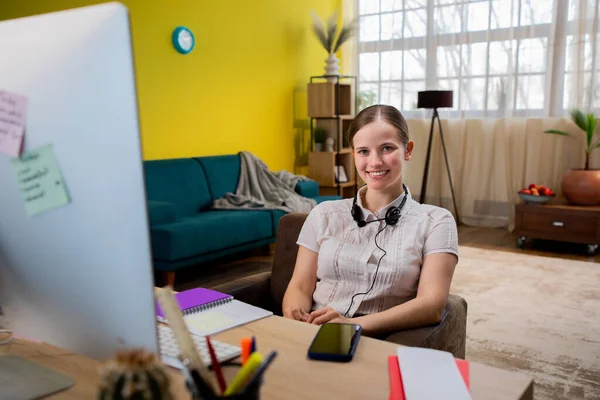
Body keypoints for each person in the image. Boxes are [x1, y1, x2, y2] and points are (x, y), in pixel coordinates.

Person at [282, 104, 459, 337]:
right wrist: (296, 319)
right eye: (364, 151)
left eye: (387, 148)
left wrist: (351, 326)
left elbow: (432, 305)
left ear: (408, 150)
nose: (375, 162)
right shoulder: (324, 214)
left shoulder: (436, 221)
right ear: (353, 154)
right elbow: (300, 286)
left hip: (377, 338)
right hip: (313, 332)